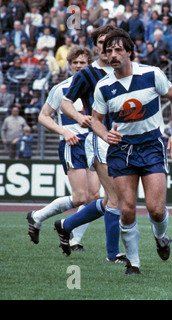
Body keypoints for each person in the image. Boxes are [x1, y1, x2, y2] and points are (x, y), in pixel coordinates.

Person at [90, 28, 172, 275]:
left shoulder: (152, 74)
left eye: (118, 49)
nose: (113, 54)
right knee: (127, 208)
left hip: (151, 146)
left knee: (156, 209)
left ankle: (161, 238)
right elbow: (96, 119)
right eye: (109, 50)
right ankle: (133, 262)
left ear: (129, 52)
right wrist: (103, 133)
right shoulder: (104, 86)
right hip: (121, 150)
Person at [55, 25, 125, 262]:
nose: (107, 47)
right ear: (97, 46)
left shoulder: (126, 70)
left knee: (108, 200)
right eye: (102, 42)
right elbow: (65, 102)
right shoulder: (87, 74)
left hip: (124, 139)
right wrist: (79, 117)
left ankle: (67, 224)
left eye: (111, 41)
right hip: (99, 140)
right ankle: (113, 254)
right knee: (115, 198)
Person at [26, 46, 100, 251]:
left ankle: (74, 239)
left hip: (93, 144)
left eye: (82, 63)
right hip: (72, 144)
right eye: (74, 63)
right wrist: (64, 131)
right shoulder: (61, 88)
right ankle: (37, 216)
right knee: (80, 198)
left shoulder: (98, 86)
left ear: (89, 64)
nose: (78, 66)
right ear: (69, 65)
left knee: (94, 196)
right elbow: (43, 116)